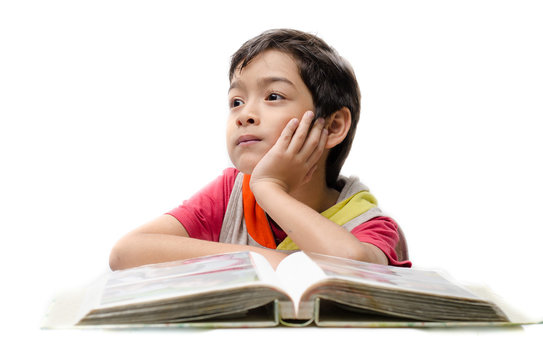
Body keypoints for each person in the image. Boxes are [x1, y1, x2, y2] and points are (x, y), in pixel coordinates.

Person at [109, 29, 411, 271]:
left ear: (333, 127)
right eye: (236, 101)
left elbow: (352, 268)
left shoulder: (370, 224)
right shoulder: (232, 194)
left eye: (274, 96)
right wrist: (267, 262)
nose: (244, 115)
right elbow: (125, 253)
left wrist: (269, 188)